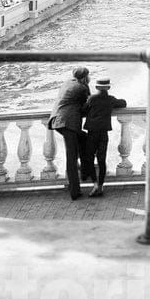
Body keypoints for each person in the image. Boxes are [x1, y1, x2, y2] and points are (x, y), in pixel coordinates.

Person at [48, 67, 91, 200]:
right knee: (71, 157)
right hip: (69, 123)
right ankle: (74, 191)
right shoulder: (83, 87)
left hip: (57, 120)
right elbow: (88, 106)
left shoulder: (67, 83)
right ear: (85, 77)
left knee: (83, 138)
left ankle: (85, 172)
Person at [83, 79, 128, 197]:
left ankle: (95, 184)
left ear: (97, 88)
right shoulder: (111, 100)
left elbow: (83, 110)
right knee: (101, 159)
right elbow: (123, 103)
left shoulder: (92, 99)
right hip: (103, 133)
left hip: (92, 132)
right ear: (108, 88)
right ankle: (101, 186)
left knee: (89, 157)